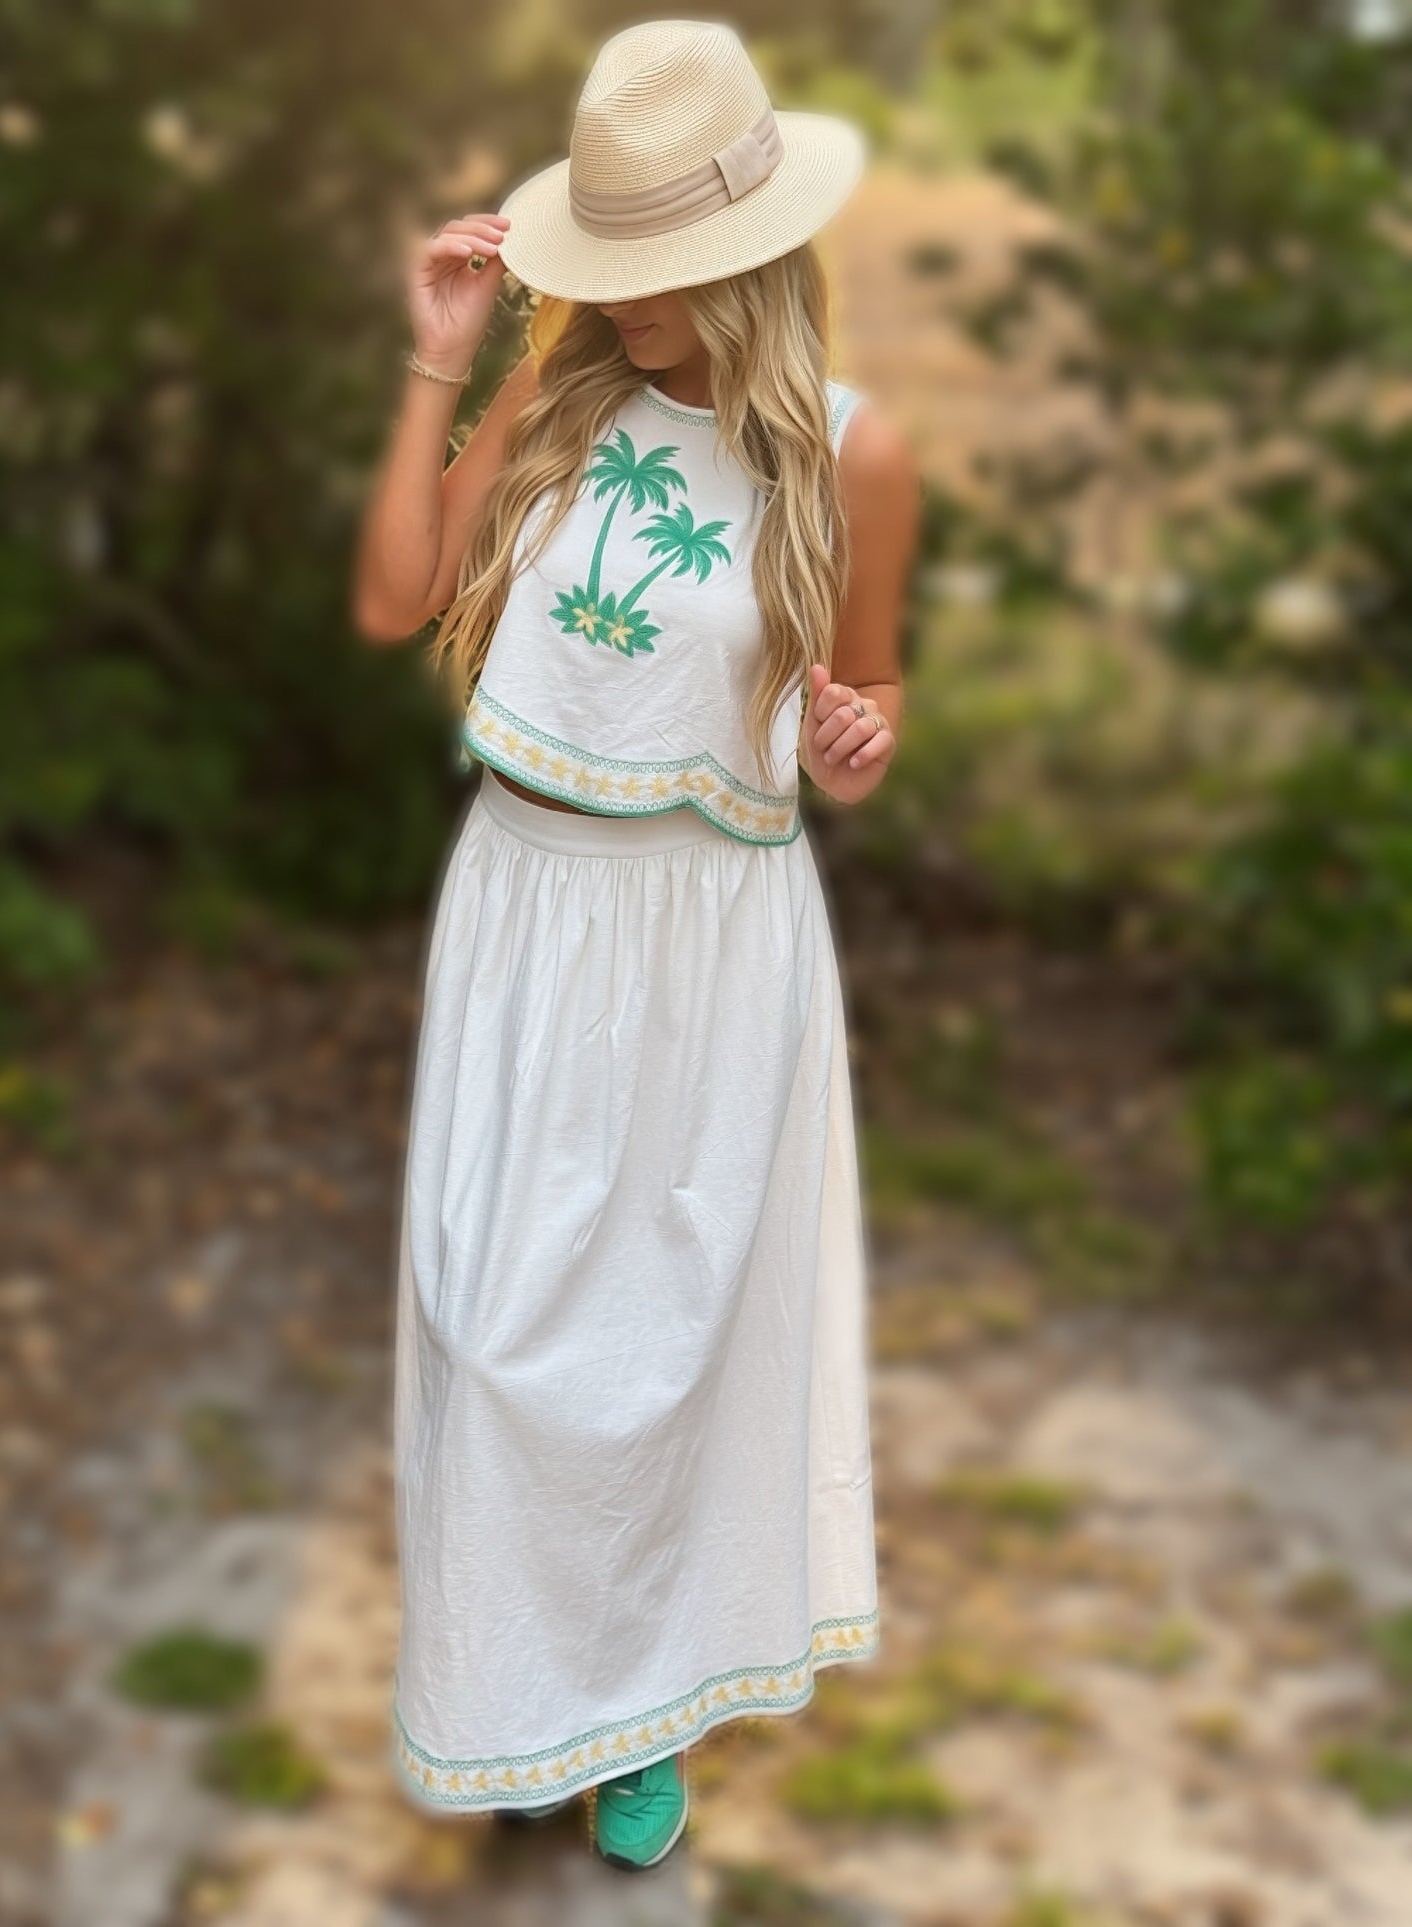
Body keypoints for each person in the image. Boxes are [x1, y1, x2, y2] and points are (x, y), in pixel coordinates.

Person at [353, 18, 920, 1874]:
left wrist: (855, 742)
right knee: (498, 1334)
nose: (640, 304)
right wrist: (439, 364)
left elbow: (860, 720)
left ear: (754, 248)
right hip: (526, 910)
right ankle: (519, 1688)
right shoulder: (555, 393)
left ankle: (646, 1708)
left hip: (708, 935)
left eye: (667, 270)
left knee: (666, 1347)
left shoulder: (856, 456)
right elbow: (393, 600)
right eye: (618, 265)